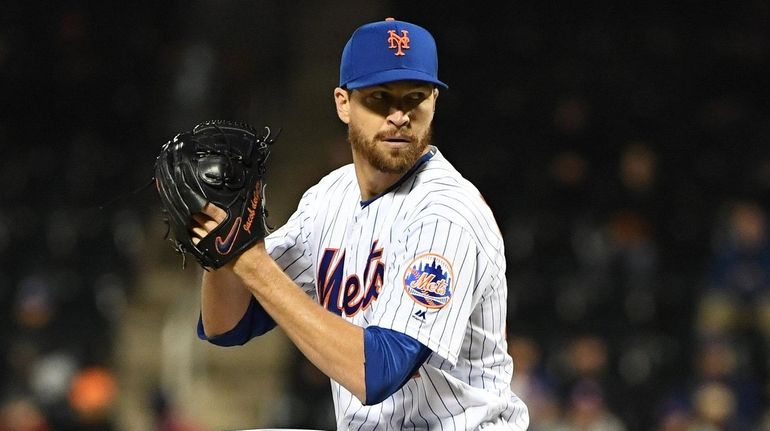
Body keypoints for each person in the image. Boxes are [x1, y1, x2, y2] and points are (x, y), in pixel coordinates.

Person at [190, 17, 530, 430]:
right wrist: (216, 249)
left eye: (415, 98)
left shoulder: (446, 212)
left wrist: (248, 258)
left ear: (434, 103)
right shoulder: (329, 198)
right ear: (343, 103)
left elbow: (379, 372)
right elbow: (228, 324)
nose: (399, 116)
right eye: (380, 98)